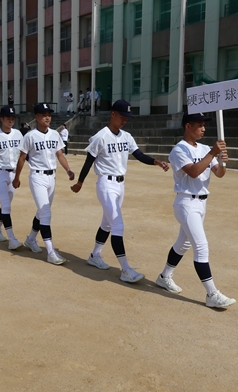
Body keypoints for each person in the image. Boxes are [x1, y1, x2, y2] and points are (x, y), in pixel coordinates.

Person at [71, 100, 169, 283]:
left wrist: (156, 161)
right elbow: (88, 161)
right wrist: (80, 182)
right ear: (113, 114)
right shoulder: (101, 136)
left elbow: (139, 155)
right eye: (122, 116)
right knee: (117, 225)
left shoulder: (126, 136)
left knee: (107, 224)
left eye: (127, 118)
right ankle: (126, 269)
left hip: (120, 185)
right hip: (106, 184)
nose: (124, 120)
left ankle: (94, 255)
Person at [156, 112, 236, 308]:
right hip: (186, 203)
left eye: (204, 125)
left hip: (201, 203)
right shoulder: (179, 150)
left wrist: (223, 162)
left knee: (183, 244)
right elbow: (193, 172)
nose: (203, 129)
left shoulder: (205, 148)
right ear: (187, 126)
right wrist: (212, 154)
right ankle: (212, 294)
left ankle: (164, 276)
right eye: (199, 125)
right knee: (201, 247)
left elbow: (219, 173)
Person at [13, 103, 75, 265]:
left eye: (49, 114)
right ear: (36, 117)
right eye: (43, 114)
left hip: (51, 177)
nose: (47, 117)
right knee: (46, 213)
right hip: (37, 177)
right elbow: (22, 158)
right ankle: (51, 252)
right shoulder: (30, 136)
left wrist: (68, 170)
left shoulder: (55, 134)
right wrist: (17, 177)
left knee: (41, 212)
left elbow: (60, 154)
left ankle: (31, 239)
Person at [0, 106, 24, 250]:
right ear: (1, 119)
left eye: (13, 118)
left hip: (12, 173)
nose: (11, 121)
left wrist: (18, 176)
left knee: (5, 205)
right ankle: (12, 239)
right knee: (6, 206)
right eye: (8, 118)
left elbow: (23, 155)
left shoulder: (18, 134)